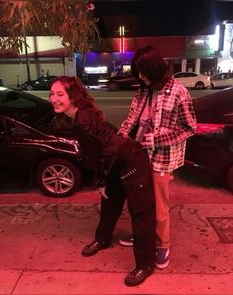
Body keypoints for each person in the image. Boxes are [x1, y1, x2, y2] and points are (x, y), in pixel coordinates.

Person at [48, 76, 156, 287]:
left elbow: (102, 153)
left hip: (131, 162)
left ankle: (145, 265)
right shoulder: (79, 116)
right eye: (52, 93)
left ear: (73, 96)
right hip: (115, 162)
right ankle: (103, 239)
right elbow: (100, 151)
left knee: (141, 215)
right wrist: (104, 180)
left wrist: (101, 182)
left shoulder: (82, 120)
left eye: (60, 94)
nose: (54, 99)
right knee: (109, 204)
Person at [118, 45, 197, 270]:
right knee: (139, 200)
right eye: (137, 72)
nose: (140, 77)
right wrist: (120, 138)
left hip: (162, 158)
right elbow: (131, 119)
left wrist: (158, 139)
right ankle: (143, 235)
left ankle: (163, 245)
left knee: (159, 205)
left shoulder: (179, 92)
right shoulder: (144, 90)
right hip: (139, 154)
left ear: (154, 68)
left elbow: (190, 128)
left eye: (143, 72)